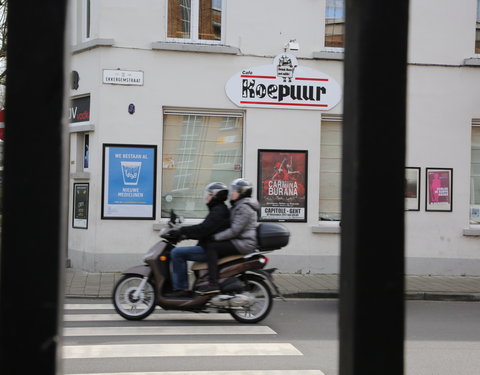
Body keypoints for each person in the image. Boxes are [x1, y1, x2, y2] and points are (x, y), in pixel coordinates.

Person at [197, 178, 260, 295]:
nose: (231, 193)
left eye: (234, 190)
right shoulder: (239, 205)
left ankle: (213, 283)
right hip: (240, 241)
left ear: (242, 192)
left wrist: (215, 237)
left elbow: (234, 230)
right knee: (212, 246)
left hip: (244, 243)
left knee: (212, 247)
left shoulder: (245, 207)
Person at [166, 182, 230, 297]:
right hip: (209, 245)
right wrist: (185, 235)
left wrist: (181, 231)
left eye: (208, 194)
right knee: (180, 252)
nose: (206, 197)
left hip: (210, 249)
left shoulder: (218, 211)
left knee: (177, 253)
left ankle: (181, 290)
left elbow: (203, 228)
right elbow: (205, 231)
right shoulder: (218, 209)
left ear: (214, 195)